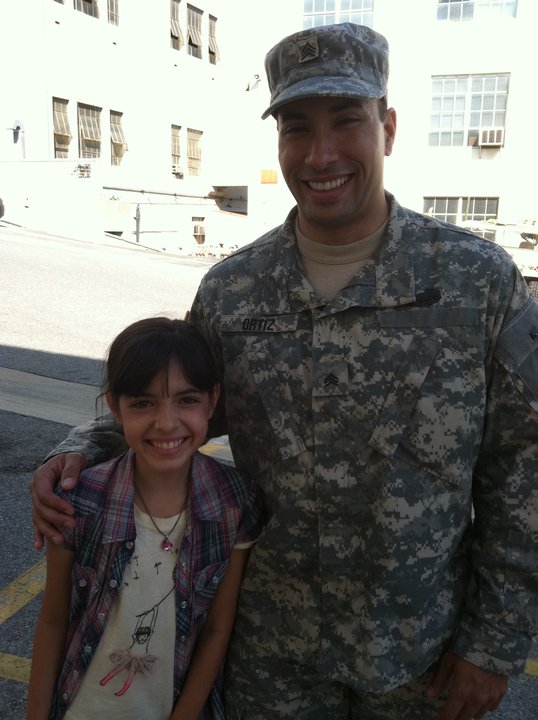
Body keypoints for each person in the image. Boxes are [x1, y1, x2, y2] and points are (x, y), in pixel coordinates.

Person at [29, 23, 538, 720]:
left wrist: (497, 640)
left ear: (387, 128)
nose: (321, 153)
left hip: (421, 652)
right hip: (273, 658)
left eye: (346, 122)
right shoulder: (233, 292)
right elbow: (172, 408)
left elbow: (524, 467)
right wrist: (74, 453)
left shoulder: (478, 281)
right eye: (296, 128)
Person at [27, 317, 262, 720]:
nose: (166, 422)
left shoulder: (234, 502)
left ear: (213, 400)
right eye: (142, 403)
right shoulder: (80, 501)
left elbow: (217, 629)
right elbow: (52, 621)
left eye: (187, 400)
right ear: (114, 408)